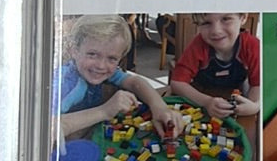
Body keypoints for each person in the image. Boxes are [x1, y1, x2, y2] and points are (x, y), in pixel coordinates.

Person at [53, 15, 183, 141]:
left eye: (112, 58)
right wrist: (104, 111)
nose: (101, 65)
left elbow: (134, 82)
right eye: (92, 54)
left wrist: (159, 107)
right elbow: (46, 129)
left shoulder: (95, 70)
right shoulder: (65, 83)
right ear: (74, 51)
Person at [170, 13, 261, 119]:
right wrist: (206, 102)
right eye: (206, 23)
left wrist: (255, 105)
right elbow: (177, 83)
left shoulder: (252, 46)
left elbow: (258, 84)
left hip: (235, 99)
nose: (216, 31)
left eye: (226, 19)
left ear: (243, 17)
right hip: (200, 99)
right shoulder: (198, 46)